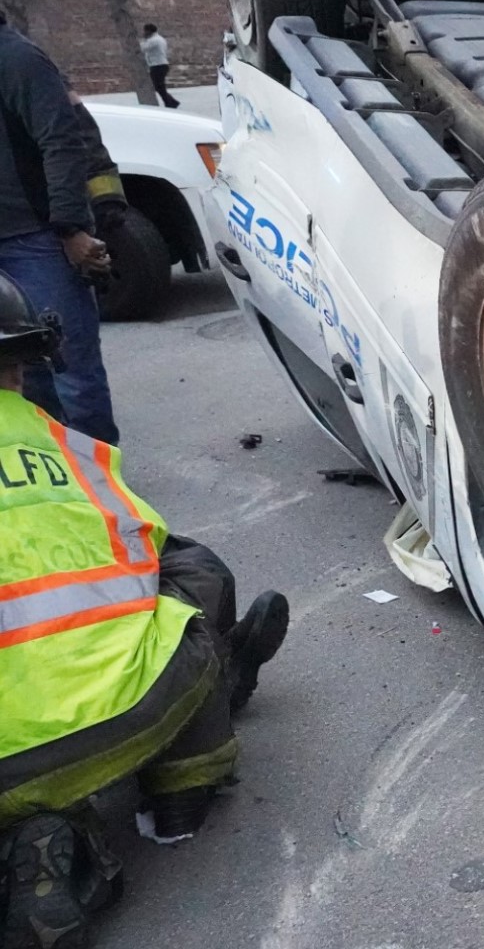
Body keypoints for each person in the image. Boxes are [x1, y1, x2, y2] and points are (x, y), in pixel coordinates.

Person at [0, 270, 290, 949]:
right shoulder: (60, 443)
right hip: (124, 712)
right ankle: (188, 770)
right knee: (186, 587)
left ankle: (45, 842)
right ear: (18, 364)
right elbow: (146, 549)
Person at [0, 14, 119, 445]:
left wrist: (71, 228)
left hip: (37, 242)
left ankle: (102, 492)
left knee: (72, 371)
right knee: (22, 377)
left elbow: (64, 142)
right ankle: (60, 481)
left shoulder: (16, 59)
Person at [139, 24, 179, 110]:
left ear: (149, 31)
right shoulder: (159, 39)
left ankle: (171, 103)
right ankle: (171, 102)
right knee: (159, 86)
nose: (144, 33)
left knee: (158, 86)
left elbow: (142, 48)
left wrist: (142, 40)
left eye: (145, 31)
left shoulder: (153, 40)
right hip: (160, 65)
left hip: (157, 65)